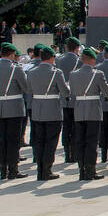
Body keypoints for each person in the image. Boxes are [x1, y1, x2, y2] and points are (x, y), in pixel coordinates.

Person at [27, 44, 70, 180]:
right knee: (51, 141)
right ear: (51, 58)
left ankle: (40, 169)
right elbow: (64, 92)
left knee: (39, 140)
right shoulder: (56, 72)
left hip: (37, 110)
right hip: (52, 110)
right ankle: (47, 169)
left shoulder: (32, 72)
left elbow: (29, 89)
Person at [0, 43, 31, 179]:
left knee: (3, 139)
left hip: (0, 106)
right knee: (13, 140)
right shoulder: (16, 69)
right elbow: (26, 88)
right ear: (12, 54)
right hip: (14, 106)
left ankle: (3, 169)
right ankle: (13, 169)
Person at [69, 48, 108, 180]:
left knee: (80, 141)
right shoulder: (97, 74)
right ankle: (91, 170)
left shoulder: (73, 74)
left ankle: (81, 170)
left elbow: (73, 92)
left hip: (79, 109)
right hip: (93, 110)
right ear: (92, 60)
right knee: (92, 142)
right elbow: (106, 92)